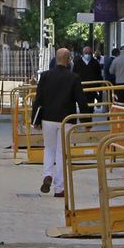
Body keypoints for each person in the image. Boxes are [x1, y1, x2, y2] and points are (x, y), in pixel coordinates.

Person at [31, 48, 86, 198]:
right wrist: (87, 121)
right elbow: (81, 100)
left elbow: (38, 99)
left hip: (47, 118)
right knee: (62, 152)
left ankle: (47, 174)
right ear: (68, 60)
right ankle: (59, 188)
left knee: (49, 149)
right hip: (66, 120)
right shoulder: (74, 78)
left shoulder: (45, 76)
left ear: (56, 59)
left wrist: (35, 120)